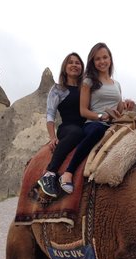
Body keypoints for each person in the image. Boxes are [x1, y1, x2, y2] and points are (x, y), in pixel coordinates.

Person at [58, 42, 134, 194]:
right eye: (97, 59)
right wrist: (101, 116)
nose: (102, 61)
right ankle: (68, 172)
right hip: (94, 123)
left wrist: (126, 105)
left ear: (110, 59)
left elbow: (118, 110)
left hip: (113, 124)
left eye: (105, 57)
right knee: (98, 130)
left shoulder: (116, 84)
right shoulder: (88, 82)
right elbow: (83, 111)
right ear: (93, 62)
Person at [37, 52, 86, 198]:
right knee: (76, 132)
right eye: (70, 62)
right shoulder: (58, 89)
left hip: (85, 126)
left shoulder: (86, 88)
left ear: (81, 67)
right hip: (68, 129)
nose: (74, 65)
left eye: (77, 63)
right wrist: (52, 137)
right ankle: (50, 173)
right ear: (65, 67)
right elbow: (50, 114)